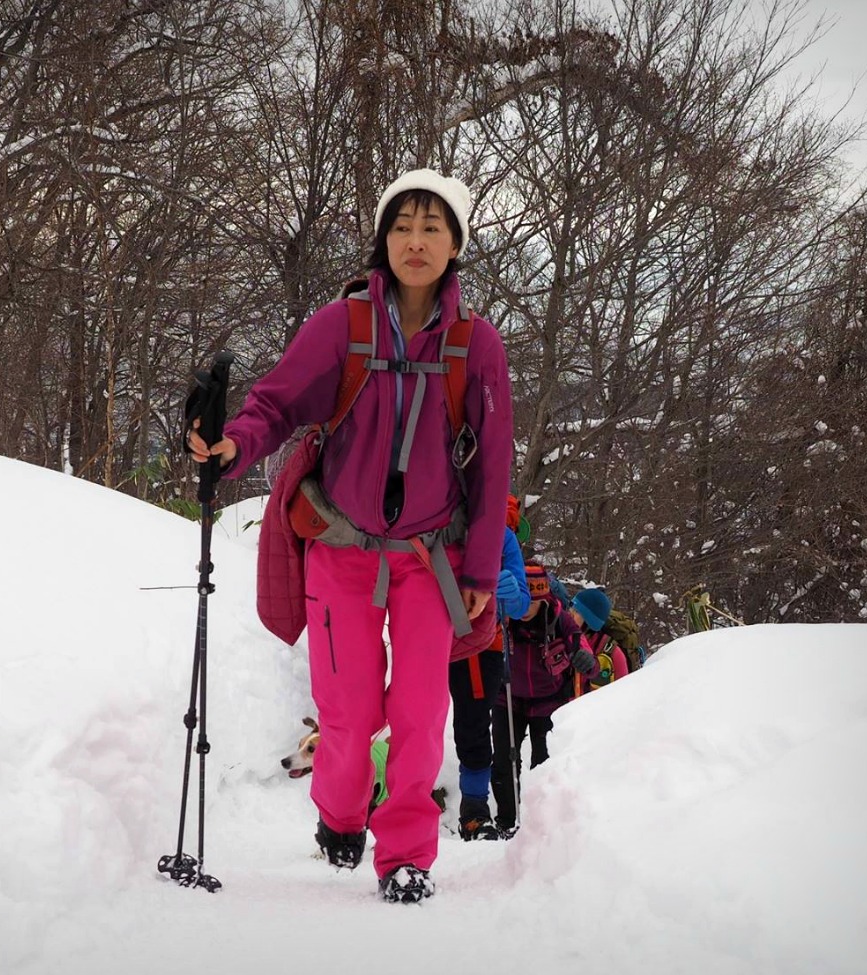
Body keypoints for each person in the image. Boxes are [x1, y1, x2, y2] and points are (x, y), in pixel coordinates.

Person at [187, 168, 513, 903]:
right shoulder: (345, 326)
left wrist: (483, 572)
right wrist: (233, 444)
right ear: (383, 238)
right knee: (349, 712)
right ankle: (339, 815)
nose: (416, 241)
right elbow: (275, 402)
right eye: (403, 226)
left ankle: (405, 854)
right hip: (339, 546)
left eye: (433, 227)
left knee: (422, 713)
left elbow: (494, 466)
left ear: (456, 242)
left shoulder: (475, 344)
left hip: (431, 559)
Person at [490, 561, 597, 836]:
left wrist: (587, 661)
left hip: (548, 701)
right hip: (508, 696)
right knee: (504, 759)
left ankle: (541, 826)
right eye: (518, 601)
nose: (522, 609)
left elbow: (583, 650)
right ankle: (506, 821)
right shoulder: (503, 614)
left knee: (544, 764)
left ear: (543, 599)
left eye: (529, 602)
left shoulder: (559, 619)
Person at [448, 496, 529, 841]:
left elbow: (521, 603)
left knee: (474, 724)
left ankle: (475, 810)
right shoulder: (431, 512)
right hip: (431, 635)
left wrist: (509, 590)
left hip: (482, 644)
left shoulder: (503, 538)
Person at [568, 588, 628, 691]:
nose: (570, 613)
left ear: (590, 622)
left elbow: (624, 693)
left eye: (577, 611)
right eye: (571, 607)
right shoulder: (561, 640)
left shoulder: (612, 653)